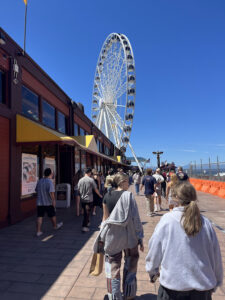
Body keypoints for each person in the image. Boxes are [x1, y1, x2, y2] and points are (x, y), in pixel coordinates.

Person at [146, 182, 223, 300]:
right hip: (202, 289)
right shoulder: (205, 223)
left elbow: (154, 249)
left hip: (172, 288)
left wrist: (152, 271)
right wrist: (216, 281)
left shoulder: (167, 220)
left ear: (176, 198)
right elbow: (215, 255)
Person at [93, 173, 144, 300]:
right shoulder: (128, 196)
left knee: (113, 267)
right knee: (131, 263)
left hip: (112, 237)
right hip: (129, 236)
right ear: (123, 182)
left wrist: (102, 238)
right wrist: (140, 237)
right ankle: (129, 294)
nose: (129, 183)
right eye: (128, 181)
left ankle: (114, 296)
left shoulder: (107, 196)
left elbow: (104, 219)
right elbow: (136, 219)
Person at [35, 168, 63, 237]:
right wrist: (54, 201)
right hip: (48, 202)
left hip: (40, 202)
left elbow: (36, 190)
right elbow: (52, 193)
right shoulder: (50, 182)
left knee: (40, 216)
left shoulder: (40, 181)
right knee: (52, 215)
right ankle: (55, 226)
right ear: (50, 174)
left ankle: (38, 231)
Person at [78, 167, 102, 232]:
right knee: (87, 213)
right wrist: (100, 195)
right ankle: (84, 226)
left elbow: (79, 190)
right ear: (89, 173)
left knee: (86, 212)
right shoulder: (91, 180)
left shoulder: (80, 180)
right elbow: (95, 189)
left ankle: (87, 222)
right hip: (89, 198)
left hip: (82, 199)